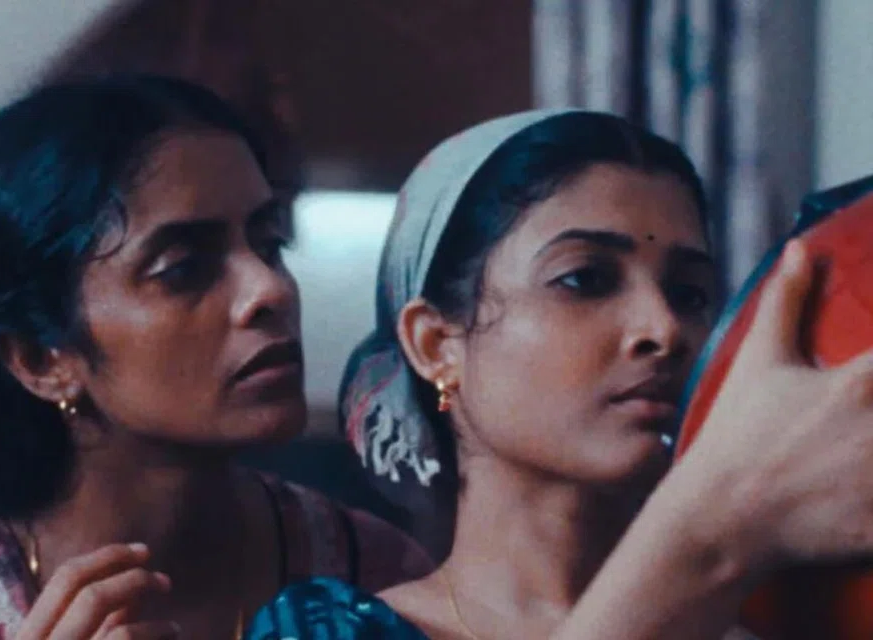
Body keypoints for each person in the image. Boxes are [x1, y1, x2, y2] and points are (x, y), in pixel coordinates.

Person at [247, 110, 873, 639]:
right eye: (585, 279)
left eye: (689, 293)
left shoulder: (784, 625)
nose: (663, 328)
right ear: (436, 345)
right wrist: (705, 531)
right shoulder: (328, 630)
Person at [0, 75, 432, 639]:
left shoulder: (373, 577)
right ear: (42, 359)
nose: (271, 290)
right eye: (183, 269)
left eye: (270, 244)